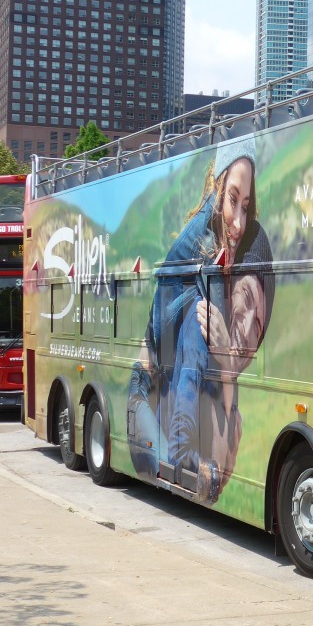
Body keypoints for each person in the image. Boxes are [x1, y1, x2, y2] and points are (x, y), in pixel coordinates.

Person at [127, 139, 270, 502]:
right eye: (231, 199)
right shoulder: (200, 252)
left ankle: (184, 456)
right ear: (218, 191)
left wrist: (225, 358)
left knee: (204, 484)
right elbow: (176, 336)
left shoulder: (221, 273)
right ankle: (181, 452)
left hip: (176, 400)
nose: (238, 222)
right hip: (144, 394)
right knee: (172, 469)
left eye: (246, 205)